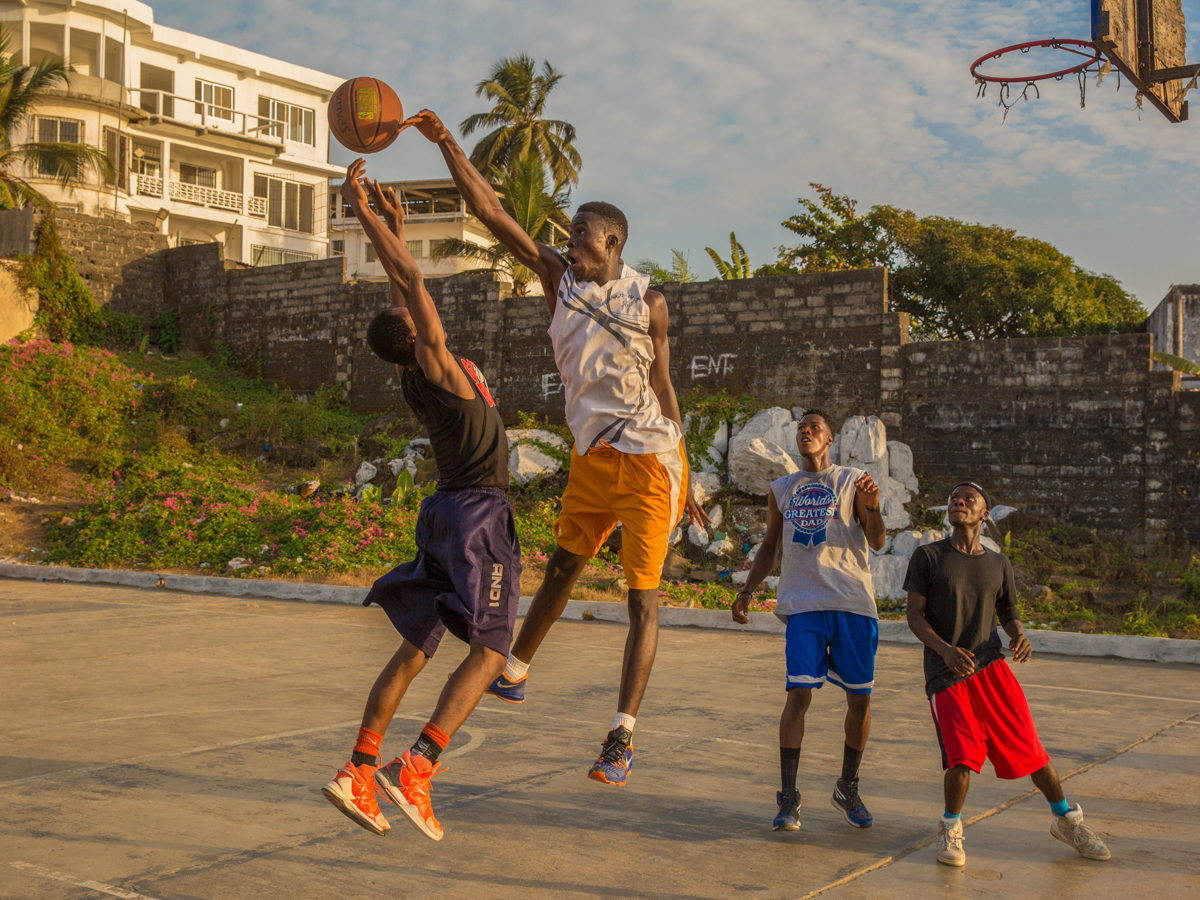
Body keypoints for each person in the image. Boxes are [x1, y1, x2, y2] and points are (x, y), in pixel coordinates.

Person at [405, 110, 709, 787]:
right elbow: (491, 212)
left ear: (613, 242)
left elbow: (663, 386)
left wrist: (687, 472)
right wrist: (447, 142)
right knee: (564, 568)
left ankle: (621, 737)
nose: (569, 243)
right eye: (568, 234)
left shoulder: (650, 302)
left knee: (642, 599)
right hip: (591, 456)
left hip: (651, 461)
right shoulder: (557, 280)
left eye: (581, 235)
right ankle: (515, 669)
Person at [321, 160, 519, 842]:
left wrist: (396, 227)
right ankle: (419, 765)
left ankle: (358, 769)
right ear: (414, 333)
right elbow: (408, 279)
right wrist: (361, 211)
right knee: (492, 650)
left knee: (415, 647)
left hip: (443, 513)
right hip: (478, 515)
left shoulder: (415, 370)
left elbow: (403, 283)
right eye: (414, 311)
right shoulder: (435, 359)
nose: (417, 303)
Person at [904, 481, 1111, 867]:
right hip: (946, 672)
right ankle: (951, 827)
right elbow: (914, 615)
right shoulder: (928, 556)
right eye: (953, 498)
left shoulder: (998, 563)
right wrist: (945, 650)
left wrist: (1019, 635)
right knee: (962, 757)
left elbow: (1008, 611)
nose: (958, 501)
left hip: (991, 667)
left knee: (1032, 750)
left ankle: (1066, 821)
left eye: (968, 498)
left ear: (984, 513)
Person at [732, 410, 886, 832]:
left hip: (852, 601)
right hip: (803, 603)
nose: (806, 431)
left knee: (860, 699)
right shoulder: (782, 488)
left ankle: (847, 786)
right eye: (801, 427)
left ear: (829, 439)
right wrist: (748, 590)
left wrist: (872, 507)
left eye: (815, 427)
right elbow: (769, 546)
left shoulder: (852, 480)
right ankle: (788, 796)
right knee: (798, 693)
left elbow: (876, 540)